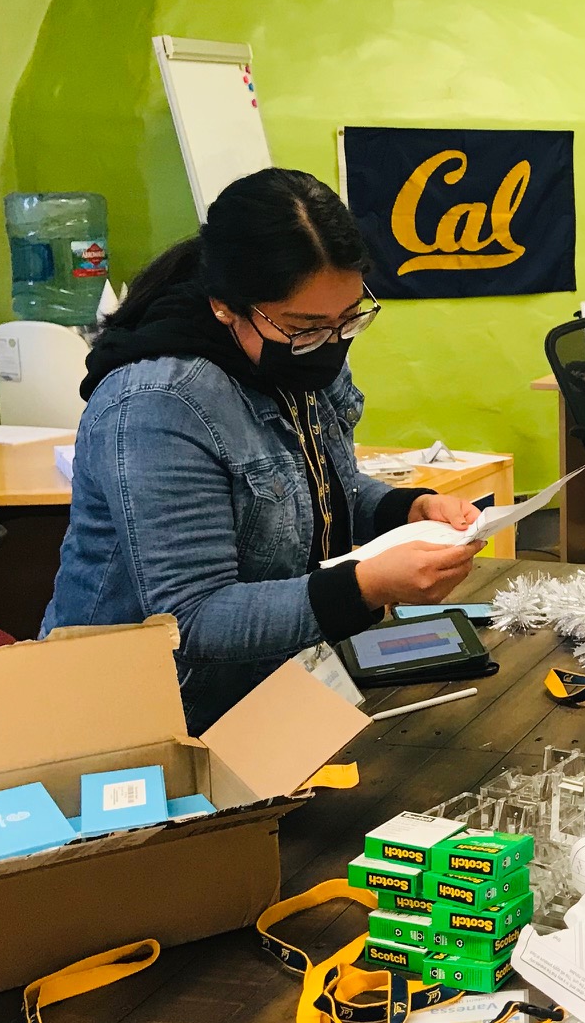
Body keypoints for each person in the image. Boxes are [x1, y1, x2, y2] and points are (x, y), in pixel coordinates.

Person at [43, 168, 484, 733]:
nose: (330, 343)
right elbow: (191, 620)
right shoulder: (158, 405)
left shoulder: (297, 346)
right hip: (148, 719)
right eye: (306, 326)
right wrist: (367, 585)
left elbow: (319, 485)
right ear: (226, 305)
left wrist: (408, 510)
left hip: (266, 694)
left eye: (349, 318)